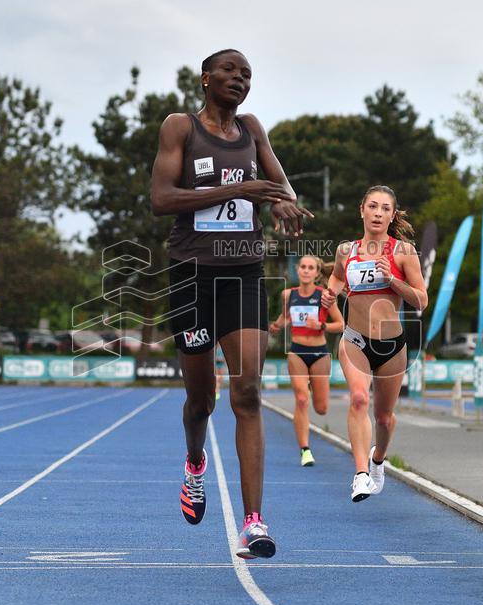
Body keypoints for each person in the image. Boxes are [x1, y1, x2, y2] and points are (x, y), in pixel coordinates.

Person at [150, 49, 312, 559]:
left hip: (243, 273)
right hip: (192, 276)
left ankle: (253, 524)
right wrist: (240, 187)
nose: (240, 79)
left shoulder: (252, 129)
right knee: (202, 402)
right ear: (205, 79)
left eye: (247, 74)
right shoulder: (180, 127)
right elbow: (161, 198)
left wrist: (282, 200)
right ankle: (195, 463)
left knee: (247, 393)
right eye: (230, 71)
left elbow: (278, 183)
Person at [321, 186, 427, 502]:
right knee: (357, 399)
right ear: (362, 211)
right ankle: (360, 474)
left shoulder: (403, 252)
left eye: (385, 208)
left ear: (392, 215)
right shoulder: (345, 250)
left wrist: (392, 279)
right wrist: (330, 296)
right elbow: (337, 279)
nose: (378, 213)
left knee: (383, 417)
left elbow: (421, 300)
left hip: (392, 345)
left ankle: (377, 459)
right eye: (373, 206)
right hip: (354, 340)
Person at [268, 256, 344, 466]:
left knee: (321, 408)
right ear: (297, 269)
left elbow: (340, 324)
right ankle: (305, 450)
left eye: (311, 268)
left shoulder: (324, 296)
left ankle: (312, 388)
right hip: (297, 352)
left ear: (317, 273)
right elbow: (286, 317)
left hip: (319, 352)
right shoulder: (287, 295)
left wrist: (321, 326)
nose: (306, 270)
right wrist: (277, 326)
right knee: (301, 399)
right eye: (303, 267)